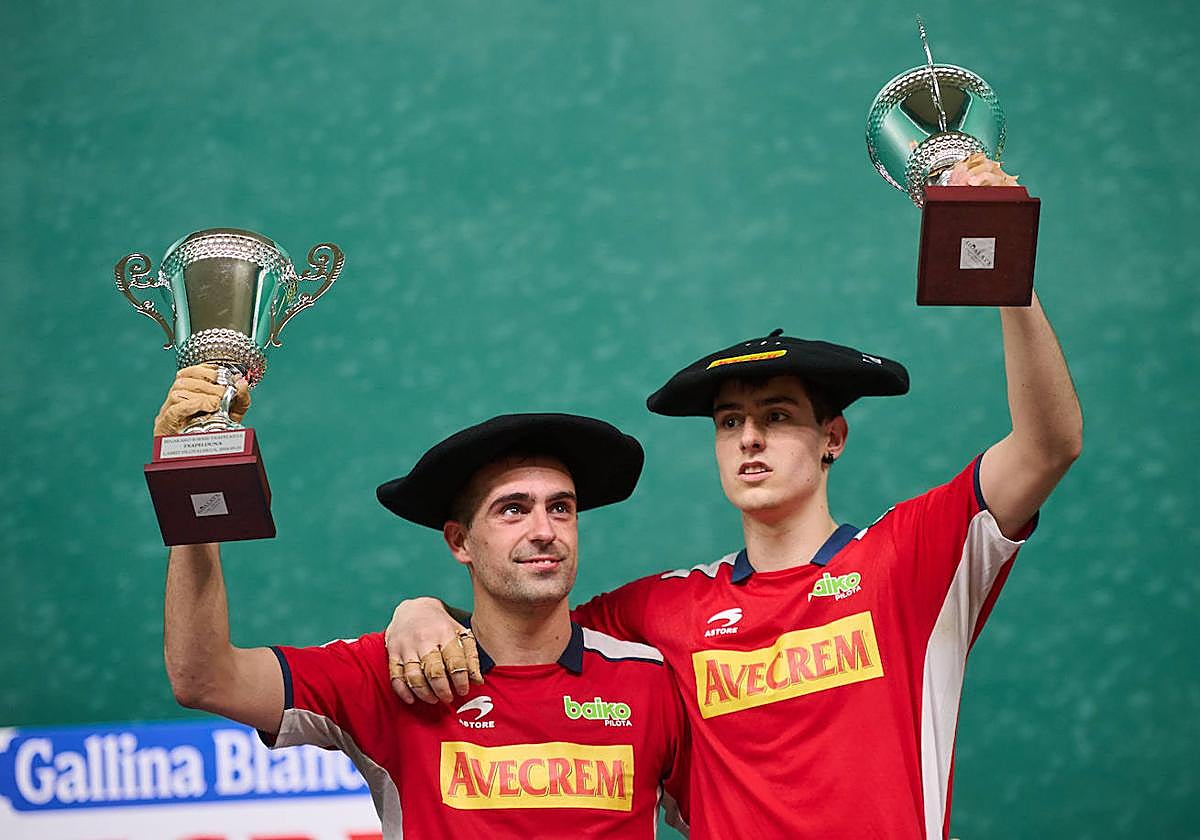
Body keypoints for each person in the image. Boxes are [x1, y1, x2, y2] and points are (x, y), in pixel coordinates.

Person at [384, 160, 1083, 838]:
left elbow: (1050, 445)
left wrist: (1007, 270)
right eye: (729, 423)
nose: (749, 439)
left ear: (831, 437)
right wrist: (419, 613)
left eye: (777, 417)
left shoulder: (910, 558)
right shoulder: (663, 611)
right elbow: (523, 627)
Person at [156, 379, 689, 838]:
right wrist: (194, 482)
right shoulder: (388, 674)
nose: (545, 531)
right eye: (513, 510)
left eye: (561, 508)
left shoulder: (650, 681)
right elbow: (204, 678)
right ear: (460, 542)